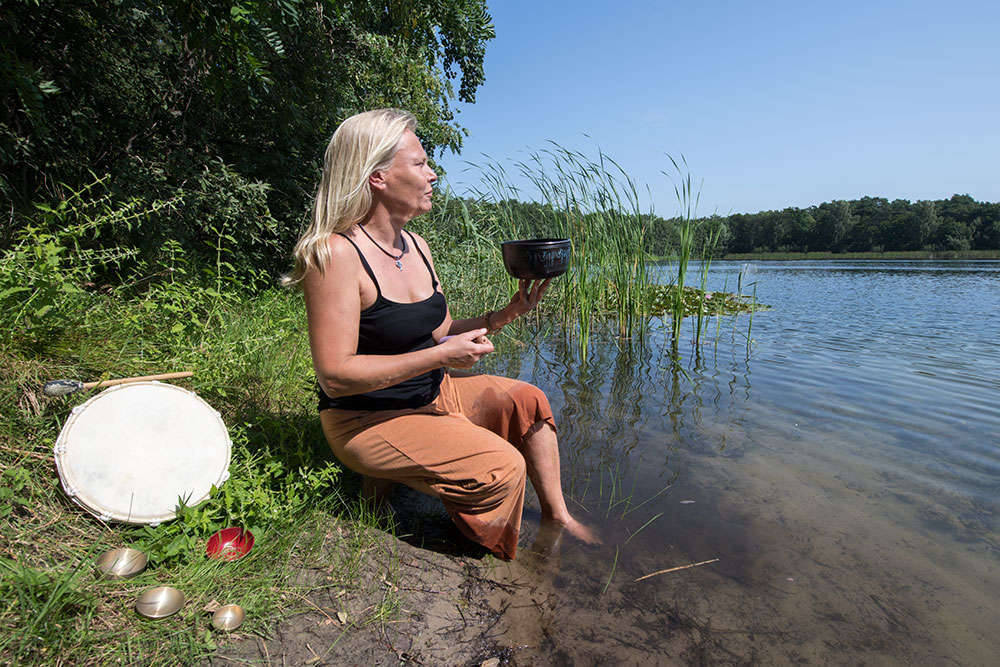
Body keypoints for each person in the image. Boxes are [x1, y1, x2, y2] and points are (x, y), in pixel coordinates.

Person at [284, 108, 597, 560]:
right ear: (378, 177)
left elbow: (440, 331)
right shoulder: (334, 254)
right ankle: (505, 558)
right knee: (503, 469)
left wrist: (504, 314)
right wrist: (439, 358)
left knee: (531, 402)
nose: (433, 175)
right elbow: (335, 375)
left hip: (431, 395)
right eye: (420, 163)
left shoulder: (416, 246)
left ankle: (558, 520)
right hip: (365, 420)